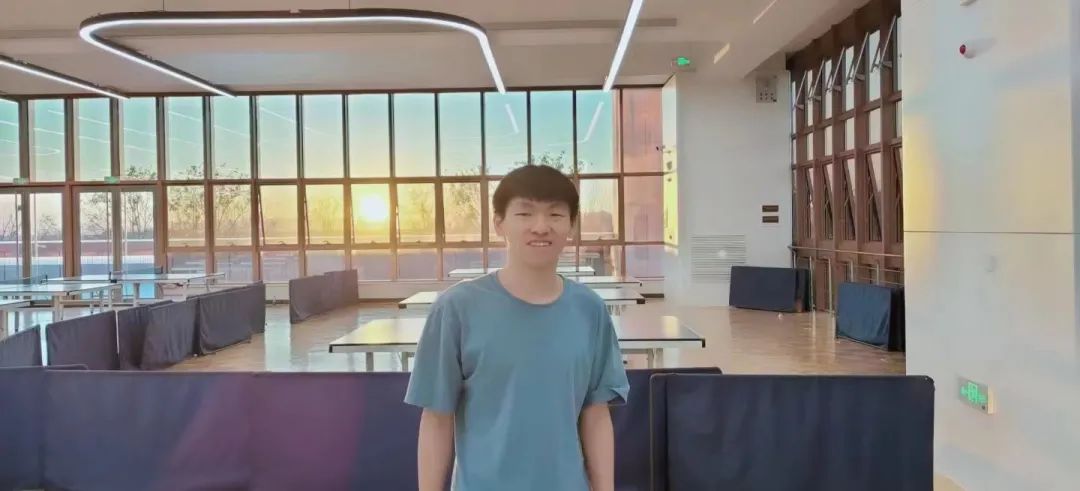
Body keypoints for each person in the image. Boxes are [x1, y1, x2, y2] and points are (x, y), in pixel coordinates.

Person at [405, 164, 629, 491]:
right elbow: (437, 418)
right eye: (525, 213)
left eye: (555, 214)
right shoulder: (456, 308)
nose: (541, 227)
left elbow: (595, 415)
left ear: (571, 225)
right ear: (499, 223)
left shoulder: (590, 310)